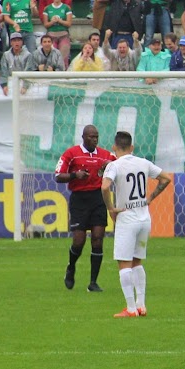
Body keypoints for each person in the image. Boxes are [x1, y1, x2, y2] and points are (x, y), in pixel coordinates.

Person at [101, 131, 172, 317]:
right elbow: (166, 179)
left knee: (124, 263)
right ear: (132, 147)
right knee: (137, 262)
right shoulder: (143, 162)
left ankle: (131, 309)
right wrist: (150, 198)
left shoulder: (114, 165)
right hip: (144, 218)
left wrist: (111, 208)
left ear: (114, 147)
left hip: (127, 218)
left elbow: (105, 186)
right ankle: (141, 305)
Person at [55, 125, 115, 292]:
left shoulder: (105, 155)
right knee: (79, 240)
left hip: (98, 198)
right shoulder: (71, 153)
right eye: (91, 136)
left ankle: (93, 283)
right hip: (79, 200)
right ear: (83, 137)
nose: (94, 139)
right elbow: (58, 176)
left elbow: (120, 166)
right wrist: (75, 175)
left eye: (96, 136)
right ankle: (71, 267)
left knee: (97, 238)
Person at [42, 0, 72, 69]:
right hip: (51, 36)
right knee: (52, 58)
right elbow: (46, 25)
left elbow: (69, 24)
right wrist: (52, 22)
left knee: (64, 58)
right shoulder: (47, 8)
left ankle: (64, 76)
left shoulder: (66, 8)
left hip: (64, 35)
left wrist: (59, 21)